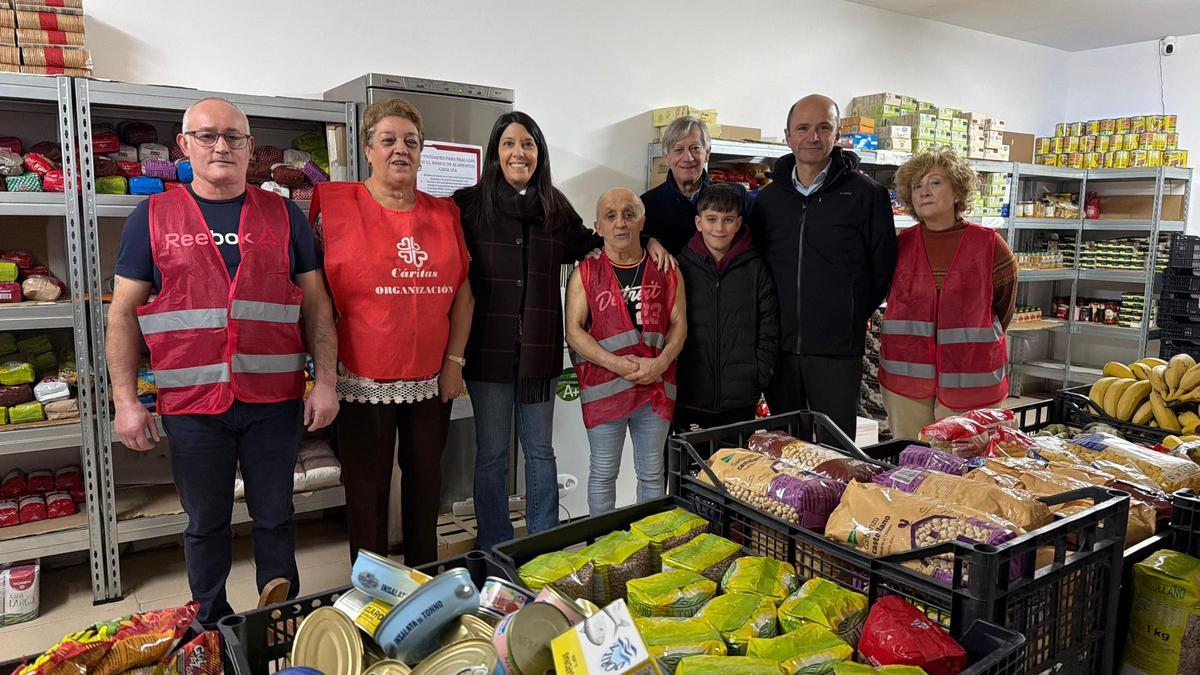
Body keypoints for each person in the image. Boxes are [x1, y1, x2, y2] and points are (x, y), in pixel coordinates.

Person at [109, 97, 339, 624]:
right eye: (207, 135)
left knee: (276, 517)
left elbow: (318, 307)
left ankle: (277, 618)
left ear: (250, 148)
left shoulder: (283, 215)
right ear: (184, 146)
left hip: (274, 402)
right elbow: (122, 315)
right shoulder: (153, 216)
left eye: (234, 137)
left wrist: (324, 381)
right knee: (205, 522)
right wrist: (126, 400)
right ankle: (210, 622)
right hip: (192, 405)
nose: (221, 146)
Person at [310, 98, 473, 566]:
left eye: (411, 142)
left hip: (430, 379)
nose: (400, 149)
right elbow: (316, 301)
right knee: (366, 494)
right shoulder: (337, 211)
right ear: (368, 150)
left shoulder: (446, 215)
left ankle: (424, 582)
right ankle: (372, 592)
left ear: (422, 154)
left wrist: (454, 363)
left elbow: (464, 293)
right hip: (361, 382)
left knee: (426, 488)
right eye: (388, 140)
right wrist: (323, 377)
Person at [452, 112, 602, 551]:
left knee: (540, 452)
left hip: (538, 353)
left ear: (540, 153)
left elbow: (595, 243)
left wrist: (644, 239)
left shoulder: (555, 208)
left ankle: (542, 542)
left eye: (529, 144)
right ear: (496, 152)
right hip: (487, 352)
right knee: (492, 453)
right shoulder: (468, 205)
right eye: (509, 144)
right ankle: (494, 543)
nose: (519, 152)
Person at [750, 94, 898, 434]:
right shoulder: (769, 200)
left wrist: (847, 313)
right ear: (788, 136)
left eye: (823, 128)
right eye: (803, 128)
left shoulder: (866, 195)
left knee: (835, 447)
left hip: (836, 350)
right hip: (780, 348)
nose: (812, 137)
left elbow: (882, 269)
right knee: (785, 447)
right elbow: (758, 263)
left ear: (837, 134)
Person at [878, 149, 1017, 439]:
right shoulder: (898, 246)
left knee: (966, 470)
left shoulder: (990, 245)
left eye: (935, 182)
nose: (924, 192)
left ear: (957, 192)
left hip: (973, 382)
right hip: (905, 382)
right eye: (916, 186)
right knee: (909, 465)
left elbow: (1003, 307)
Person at [565, 189, 686, 515]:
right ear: (598, 226)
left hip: (656, 389)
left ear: (642, 222)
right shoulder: (586, 273)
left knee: (651, 474)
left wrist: (660, 363)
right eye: (611, 216)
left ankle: (646, 549)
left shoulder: (667, 269)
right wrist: (616, 363)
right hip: (606, 392)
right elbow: (573, 332)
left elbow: (679, 324)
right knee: (603, 473)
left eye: (629, 214)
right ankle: (605, 549)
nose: (621, 223)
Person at [675, 183, 779, 432]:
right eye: (711, 219)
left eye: (728, 220)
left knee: (735, 469)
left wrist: (759, 373)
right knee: (687, 470)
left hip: (740, 398)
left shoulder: (755, 268)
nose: (719, 228)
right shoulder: (680, 266)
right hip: (690, 395)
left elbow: (769, 323)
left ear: (740, 222)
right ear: (698, 223)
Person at [641, 116, 752, 255]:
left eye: (695, 148)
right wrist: (646, 241)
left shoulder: (736, 196)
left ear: (707, 154)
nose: (688, 158)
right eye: (678, 149)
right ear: (666, 157)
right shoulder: (646, 205)